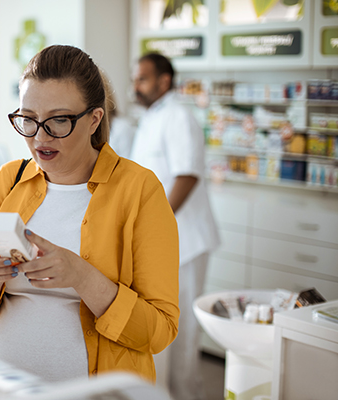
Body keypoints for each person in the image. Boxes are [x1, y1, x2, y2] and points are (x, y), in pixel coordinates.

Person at [0, 45, 180, 384]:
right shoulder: (9, 181)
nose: (41, 137)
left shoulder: (140, 191)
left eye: (58, 120)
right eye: (28, 119)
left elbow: (159, 331)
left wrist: (82, 276)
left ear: (94, 119)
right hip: (0, 388)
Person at [128, 53, 221, 400]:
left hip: (186, 242)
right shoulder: (151, 119)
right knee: (163, 331)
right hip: (163, 244)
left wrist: (155, 226)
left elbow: (187, 176)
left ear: (164, 81)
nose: (135, 86)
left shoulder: (180, 117)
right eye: (135, 79)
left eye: (142, 79)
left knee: (183, 334)